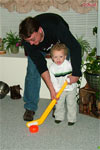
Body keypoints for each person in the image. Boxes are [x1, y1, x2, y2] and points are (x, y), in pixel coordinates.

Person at [19, 13, 81, 121]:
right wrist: (52, 89)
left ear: (39, 30)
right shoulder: (28, 42)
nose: (31, 43)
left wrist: (76, 73)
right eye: (28, 41)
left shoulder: (56, 27)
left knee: (63, 72)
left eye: (33, 39)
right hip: (41, 50)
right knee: (32, 71)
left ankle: (58, 104)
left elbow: (75, 47)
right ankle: (30, 107)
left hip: (60, 44)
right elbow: (41, 66)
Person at [49, 43, 77, 125]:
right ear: (52, 58)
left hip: (71, 88)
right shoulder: (52, 68)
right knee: (59, 104)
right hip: (59, 90)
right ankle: (59, 117)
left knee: (71, 104)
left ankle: (72, 119)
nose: (58, 59)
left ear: (65, 56)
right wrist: (57, 90)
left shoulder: (69, 65)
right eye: (55, 57)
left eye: (61, 57)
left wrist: (70, 78)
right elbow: (53, 80)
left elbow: (74, 73)